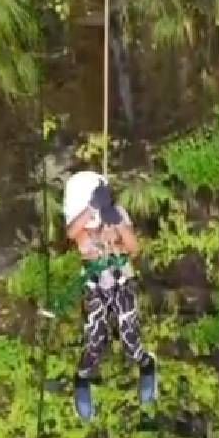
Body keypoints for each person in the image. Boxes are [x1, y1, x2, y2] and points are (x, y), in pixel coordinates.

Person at [62, 171, 156, 421]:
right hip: (94, 283)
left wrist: (115, 222)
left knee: (130, 336)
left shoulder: (118, 213)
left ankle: (147, 365)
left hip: (121, 278)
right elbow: (73, 233)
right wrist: (92, 209)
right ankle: (82, 379)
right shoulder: (80, 218)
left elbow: (133, 248)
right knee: (95, 339)